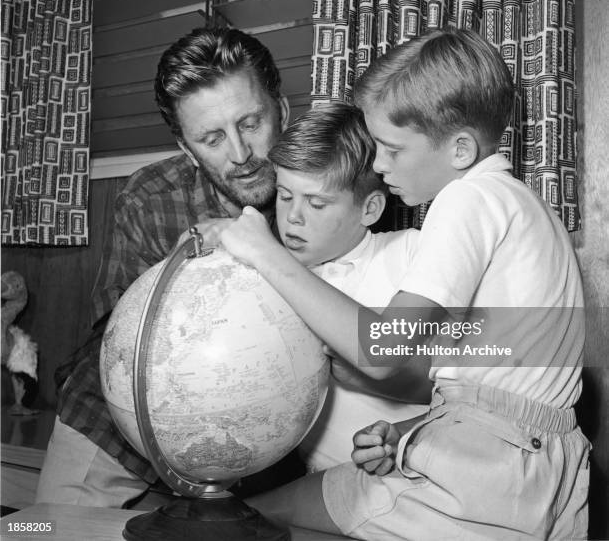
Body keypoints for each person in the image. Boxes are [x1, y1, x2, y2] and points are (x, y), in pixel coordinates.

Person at [220, 28, 590, 539]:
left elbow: (382, 351)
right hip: (534, 468)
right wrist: (410, 430)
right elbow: (511, 394)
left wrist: (264, 253)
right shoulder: (528, 206)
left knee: (245, 519)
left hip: (491, 477)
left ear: (460, 148)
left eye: (392, 149)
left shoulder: (469, 200)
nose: (378, 164)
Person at [36, 27, 292, 508]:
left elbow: (383, 338)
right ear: (186, 147)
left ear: (282, 108)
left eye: (252, 122)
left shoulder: (335, 186)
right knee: (37, 533)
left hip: (265, 435)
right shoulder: (149, 198)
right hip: (118, 428)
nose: (240, 154)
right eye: (212, 138)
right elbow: (113, 341)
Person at [268, 102, 431, 472]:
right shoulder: (266, 282)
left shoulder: (411, 253)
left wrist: (367, 379)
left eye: (316, 203)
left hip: (422, 468)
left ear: (369, 209)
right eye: (284, 195)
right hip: (323, 486)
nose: (292, 217)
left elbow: (460, 382)